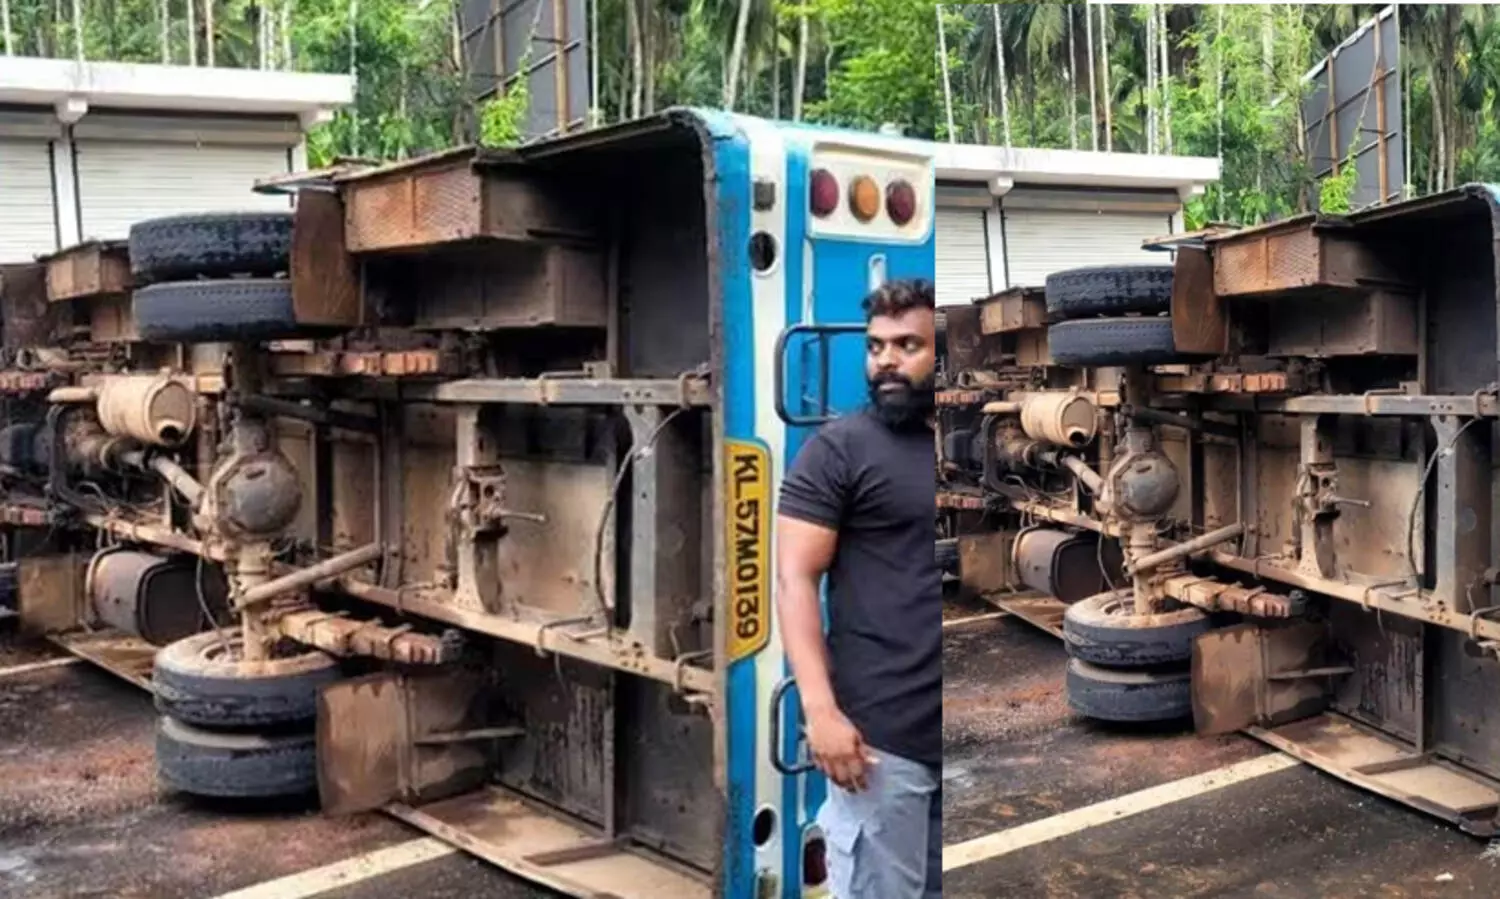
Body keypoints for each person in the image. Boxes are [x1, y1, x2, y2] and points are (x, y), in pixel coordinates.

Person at [775, 278, 941, 898]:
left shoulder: (965, 444)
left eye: (907, 345)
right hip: (880, 747)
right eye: (876, 348)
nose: (887, 361)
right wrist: (820, 711)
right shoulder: (838, 451)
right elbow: (794, 578)